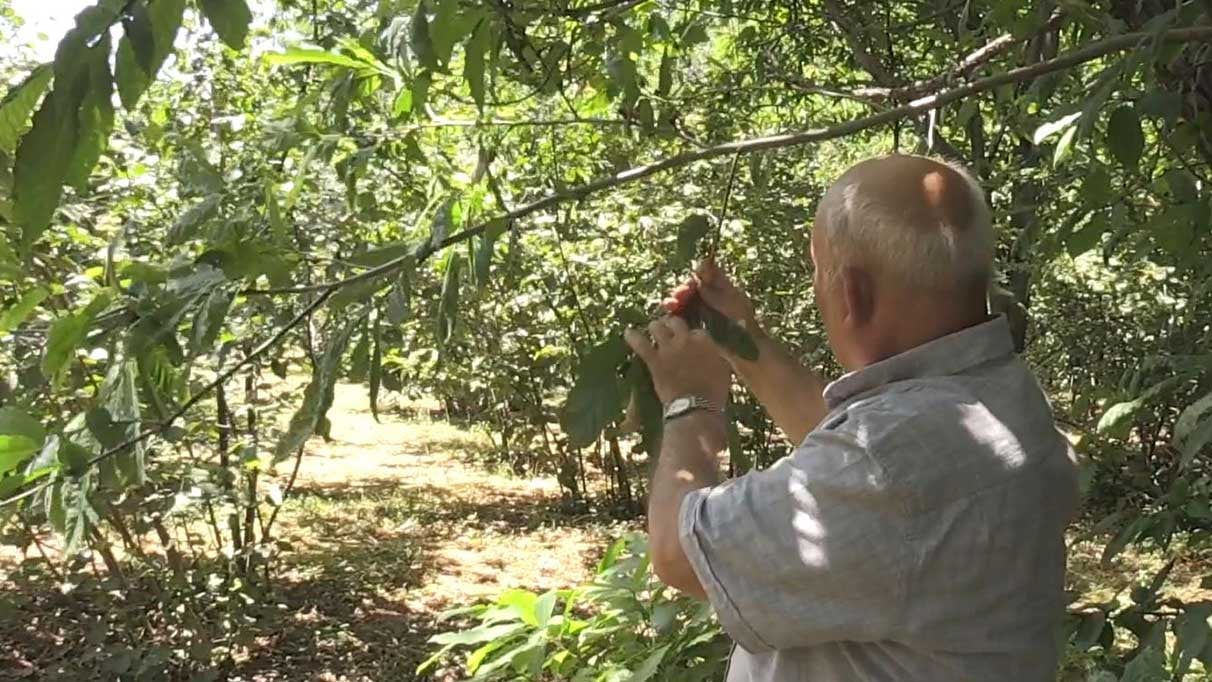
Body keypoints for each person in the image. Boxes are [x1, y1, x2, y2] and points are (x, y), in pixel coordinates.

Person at [624, 153, 1079, 681]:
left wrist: (690, 403)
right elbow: (867, 461)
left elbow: (678, 554)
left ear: (852, 293)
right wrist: (740, 340)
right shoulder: (1000, 400)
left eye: (820, 272)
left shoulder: (887, 463)